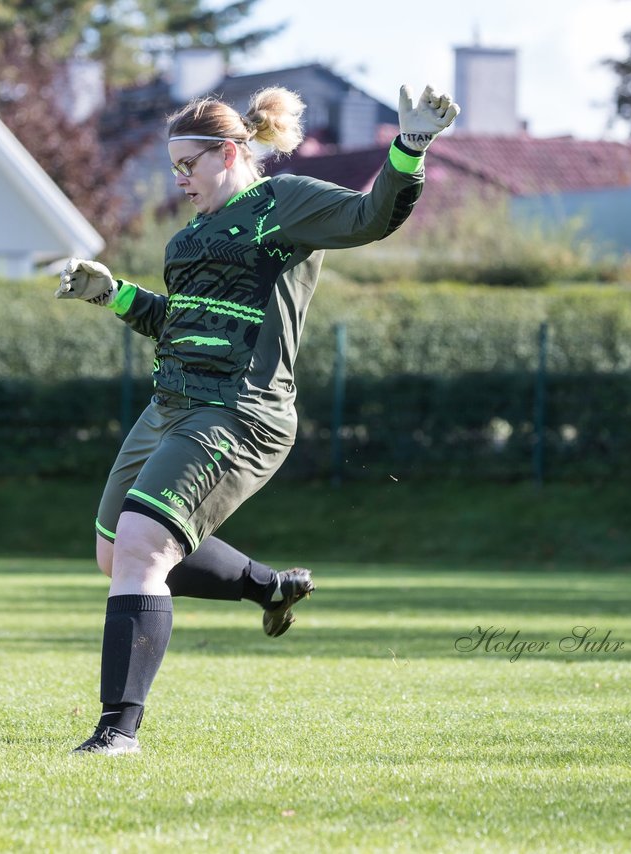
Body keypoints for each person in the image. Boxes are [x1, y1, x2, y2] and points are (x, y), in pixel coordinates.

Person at [57, 83, 460, 755]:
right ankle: (267, 586)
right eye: (175, 168)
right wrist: (114, 294)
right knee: (113, 552)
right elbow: (178, 324)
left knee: (141, 548)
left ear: (231, 152)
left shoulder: (281, 203)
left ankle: (117, 733)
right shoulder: (188, 239)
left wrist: (409, 148)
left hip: (239, 411)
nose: (180, 180)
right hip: (170, 408)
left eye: (190, 165)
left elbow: (370, 217)